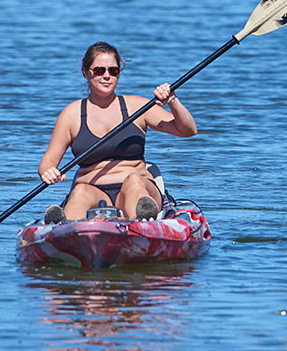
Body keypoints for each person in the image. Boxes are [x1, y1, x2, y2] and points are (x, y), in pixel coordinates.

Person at [38, 41, 197, 222]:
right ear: (85, 72)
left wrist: (173, 101)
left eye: (113, 71)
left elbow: (188, 130)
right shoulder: (71, 114)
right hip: (93, 191)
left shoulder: (138, 106)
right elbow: (48, 161)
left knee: (134, 181)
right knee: (80, 190)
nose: (107, 76)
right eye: (99, 70)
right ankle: (64, 227)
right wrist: (48, 172)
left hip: (137, 187)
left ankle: (143, 220)